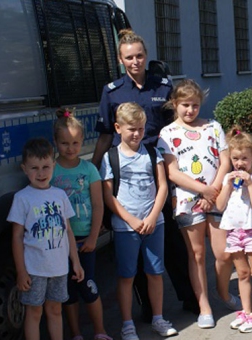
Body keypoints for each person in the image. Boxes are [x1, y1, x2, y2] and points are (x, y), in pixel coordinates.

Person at [90, 29, 195, 317]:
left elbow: (178, 127)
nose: (135, 61)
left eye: (139, 56)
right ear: (121, 60)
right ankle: (148, 308)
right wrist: (93, 171)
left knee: (172, 241)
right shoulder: (112, 92)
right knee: (131, 249)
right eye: (129, 57)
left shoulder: (162, 87)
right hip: (125, 176)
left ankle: (190, 298)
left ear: (146, 56)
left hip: (159, 169)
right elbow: (103, 137)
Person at [157, 79, 236, 329]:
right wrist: (203, 189)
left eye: (195, 105)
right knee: (197, 254)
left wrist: (214, 190)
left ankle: (223, 293)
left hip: (217, 196)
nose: (190, 110)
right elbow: (172, 172)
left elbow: (225, 161)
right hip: (187, 200)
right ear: (174, 104)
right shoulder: (167, 134)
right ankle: (204, 306)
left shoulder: (213, 127)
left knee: (223, 253)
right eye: (185, 105)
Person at [7, 137, 86, 340]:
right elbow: (17, 236)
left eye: (45, 167)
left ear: (53, 166)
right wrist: (21, 271)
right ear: (24, 169)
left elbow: (68, 231)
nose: (41, 173)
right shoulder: (22, 198)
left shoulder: (60, 194)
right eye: (34, 168)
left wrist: (76, 262)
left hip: (58, 267)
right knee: (34, 313)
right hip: (35, 268)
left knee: (54, 310)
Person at [100, 102, 177, 340]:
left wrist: (154, 216)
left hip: (154, 224)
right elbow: (108, 196)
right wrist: (131, 220)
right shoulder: (110, 157)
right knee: (126, 276)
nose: (136, 134)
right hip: (126, 227)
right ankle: (127, 324)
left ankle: (158, 318)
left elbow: (163, 186)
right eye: (131, 129)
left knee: (155, 272)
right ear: (118, 128)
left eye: (141, 129)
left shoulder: (152, 153)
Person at [51, 108, 112, 340]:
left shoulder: (89, 170)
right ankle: (75, 336)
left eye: (75, 142)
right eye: (64, 143)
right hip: (60, 243)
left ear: (82, 142)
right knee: (68, 292)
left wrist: (93, 237)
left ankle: (100, 332)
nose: (70, 148)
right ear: (55, 142)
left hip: (85, 241)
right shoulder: (51, 171)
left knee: (88, 286)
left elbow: (98, 205)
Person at [215, 127, 252, 333]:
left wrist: (250, 184)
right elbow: (219, 206)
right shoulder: (228, 179)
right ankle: (246, 311)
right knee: (243, 273)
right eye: (236, 159)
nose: (240, 163)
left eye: (244, 158)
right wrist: (227, 185)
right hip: (233, 231)